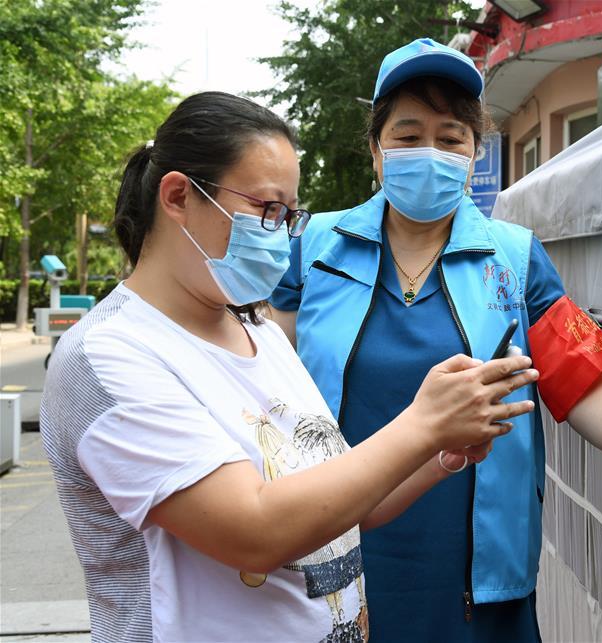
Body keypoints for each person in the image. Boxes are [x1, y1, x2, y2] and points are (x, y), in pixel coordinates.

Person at [269, 39, 602, 642]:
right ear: (375, 149)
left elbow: (582, 380)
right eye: (408, 136)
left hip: (475, 566)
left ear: (473, 153)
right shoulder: (313, 249)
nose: (430, 153)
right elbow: (264, 383)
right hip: (331, 542)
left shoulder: (517, 259)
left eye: (450, 138)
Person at [39, 91, 540, 643]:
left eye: (288, 215)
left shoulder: (259, 331)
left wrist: (437, 453)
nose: (279, 234)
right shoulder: (110, 356)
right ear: (179, 195)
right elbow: (255, 530)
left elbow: (335, 501)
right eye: (266, 209)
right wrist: (420, 423)